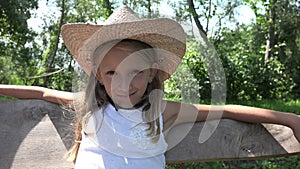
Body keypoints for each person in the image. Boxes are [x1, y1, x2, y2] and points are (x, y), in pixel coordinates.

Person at [1, 5, 299, 169]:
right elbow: (40, 92)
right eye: (113, 72)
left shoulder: (161, 112)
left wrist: (289, 118)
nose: (125, 83)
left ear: (152, 72)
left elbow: (223, 109)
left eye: (136, 72)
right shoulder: (89, 108)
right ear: (99, 76)